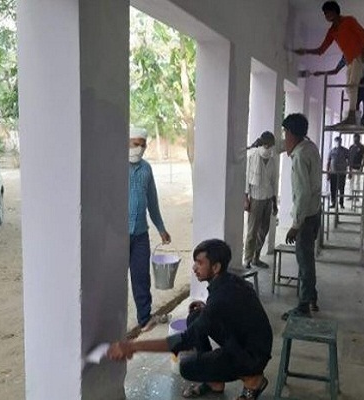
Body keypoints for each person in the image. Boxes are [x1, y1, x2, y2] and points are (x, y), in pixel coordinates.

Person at [108, 239, 272, 400]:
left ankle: (253, 380)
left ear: (215, 267)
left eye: (200, 263)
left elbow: (185, 340)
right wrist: (206, 308)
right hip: (250, 343)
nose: (194, 268)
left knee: (187, 367)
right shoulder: (230, 281)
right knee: (195, 316)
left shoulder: (221, 297)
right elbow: (229, 312)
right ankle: (215, 382)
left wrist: (133, 346)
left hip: (254, 355)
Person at [295, 1, 364, 126]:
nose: (326, 16)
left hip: (360, 58)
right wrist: (306, 51)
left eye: (328, 13)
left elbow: (363, 35)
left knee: (356, 89)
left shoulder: (349, 21)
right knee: (349, 88)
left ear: (335, 12)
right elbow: (321, 49)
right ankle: (352, 116)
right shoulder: (332, 32)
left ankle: (355, 117)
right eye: (325, 14)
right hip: (350, 60)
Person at [128, 127, 171, 332]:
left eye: (143, 145)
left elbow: (152, 202)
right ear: (126, 142)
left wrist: (161, 228)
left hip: (140, 234)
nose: (140, 149)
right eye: (136, 144)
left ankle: (144, 318)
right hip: (118, 235)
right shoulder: (116, 167)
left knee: (141, 278)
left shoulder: (146, 169)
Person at [282, 113, 322, 319]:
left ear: (291, 133)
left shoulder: (299, 158)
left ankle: (304, 305)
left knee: (304, 261)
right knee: (309, 259)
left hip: (305, 218)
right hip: (315, 212)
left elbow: (303, 193)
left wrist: (295, 224)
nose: (284, 138)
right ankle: (312, 296)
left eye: (285, 133)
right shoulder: (311, 147)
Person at [314, 53, 364, 126]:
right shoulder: (344, 58)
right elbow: (336, 71)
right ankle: (355, 119)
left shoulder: (358, 49)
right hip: (358, 77)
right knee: (356, 99)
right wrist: (321, 73)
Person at [243, 131, 278, 269]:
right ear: (263, 143)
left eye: (271, 146)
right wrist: (246, 198)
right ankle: (247, 259)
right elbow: (246, 179)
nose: (269, 148)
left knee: (264, 229)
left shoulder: (273, 159)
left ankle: (256, 257)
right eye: (268, 145)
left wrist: (274, 203)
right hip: (256, 198)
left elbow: (274, 181)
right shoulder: (253, 156)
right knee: (252, 231)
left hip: (268, 197)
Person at [327, 135, 349, 209]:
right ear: (335, 142)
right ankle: (333, 202)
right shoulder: (332, 151)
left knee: (341, 188)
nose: (338, 143)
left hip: (342, 173)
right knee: (333, 189)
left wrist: (349, 170)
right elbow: (328, 162)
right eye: (336, 142)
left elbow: (349, 160)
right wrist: (328, 173)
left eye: (339, 142)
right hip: (333, 173)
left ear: (341, 142)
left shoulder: (345, 150)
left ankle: (341, 203)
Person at [348, 133, 364, 198]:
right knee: (351, 181)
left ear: (359, 139)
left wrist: (362, 167)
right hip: (352, 167)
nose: (355, 139)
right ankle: (351, 195)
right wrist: (349, 168)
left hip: (358, 167)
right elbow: (349, 158)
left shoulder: (362, 147)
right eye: (354, 138)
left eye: (357, 138)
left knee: (357, 182)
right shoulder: (351, 147)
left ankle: (357, 196)